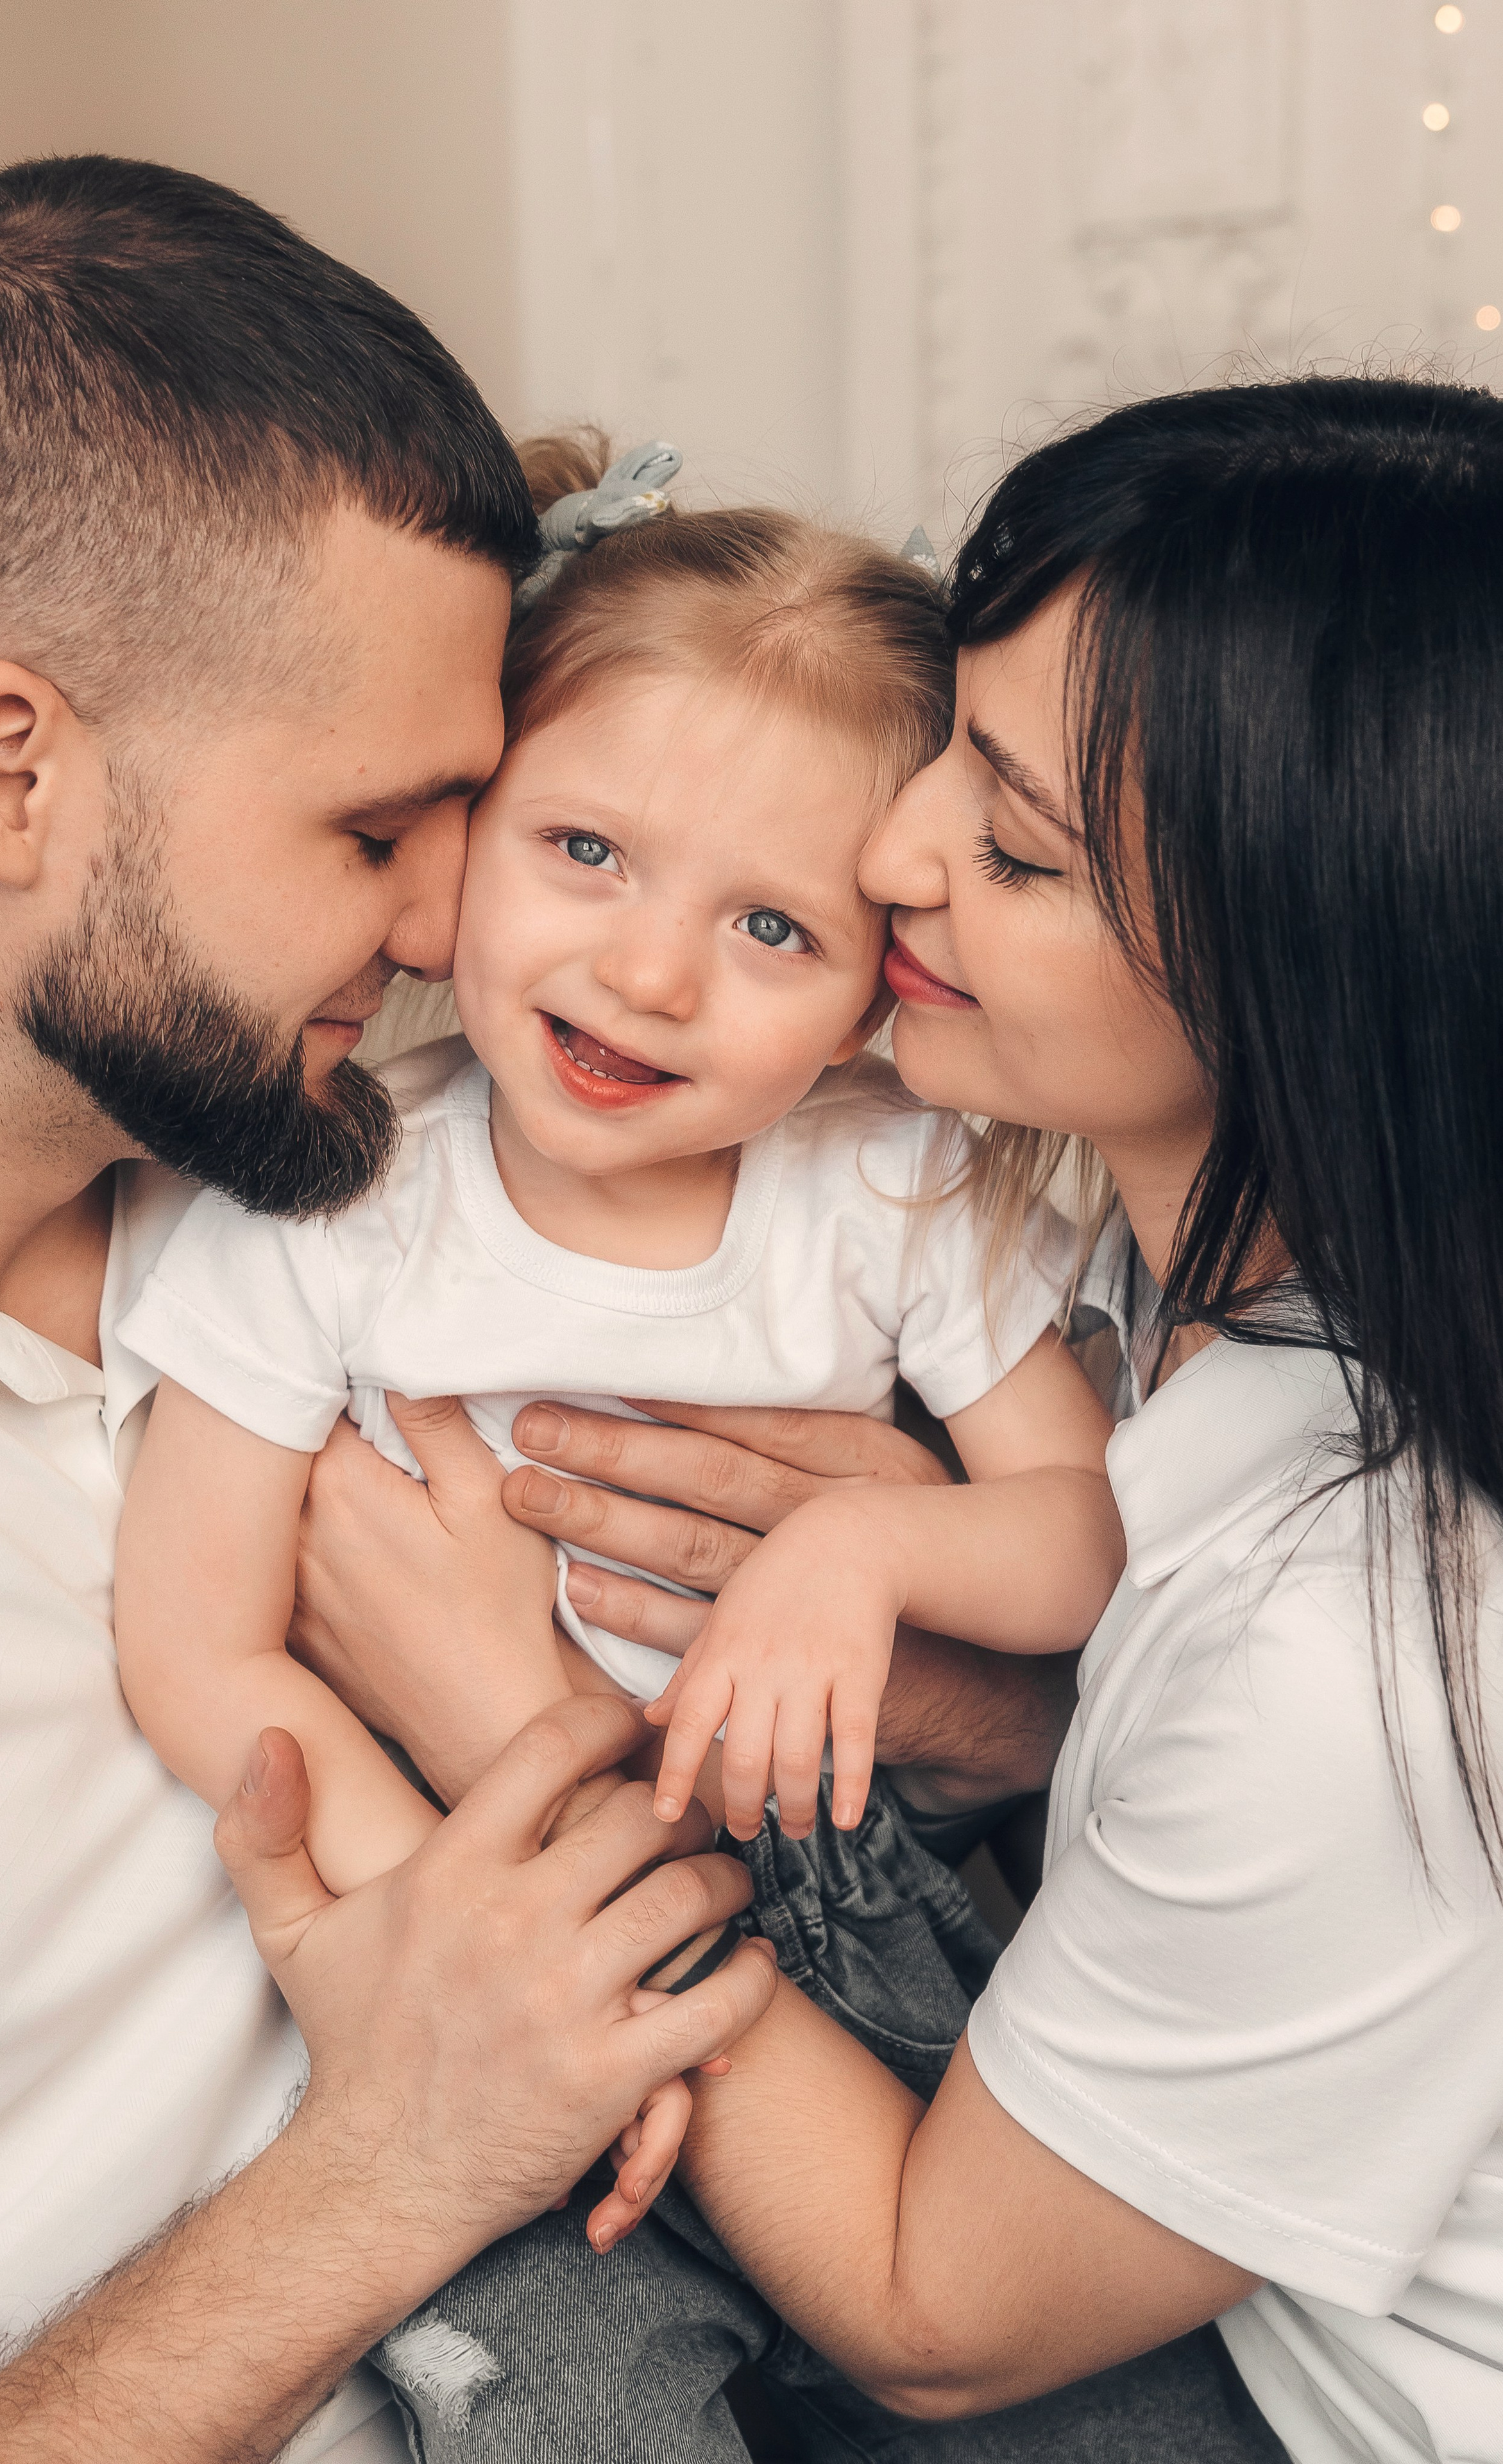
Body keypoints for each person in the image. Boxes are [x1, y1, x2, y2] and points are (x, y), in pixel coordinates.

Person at [296, 373, 1503, 2463]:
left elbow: (940, 2317)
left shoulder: (1369, 1642)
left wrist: (520, 1729)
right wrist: (975, 1684)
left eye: (1015, 847)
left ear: (1309, 976)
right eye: (954, 737)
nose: (893, 850)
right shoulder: (1101, 1257)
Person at [0, 156, 794, 2461]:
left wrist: (934, 1662)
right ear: (9, 772)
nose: (444, 923)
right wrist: (395, 2160)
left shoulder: (361, 1176)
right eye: (375, 832)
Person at [110, 427, 1118, 1923]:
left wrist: (865, 1547)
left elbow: (1092, 1541)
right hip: (451, 1864)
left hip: (835, 1885)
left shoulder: (888, 1178)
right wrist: (475, 1917)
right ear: (465, 832)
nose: (646, 974)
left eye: (770, 928)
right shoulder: (333, 1193)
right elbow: (196, 1647)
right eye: (583, 847)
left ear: (870, 1002)